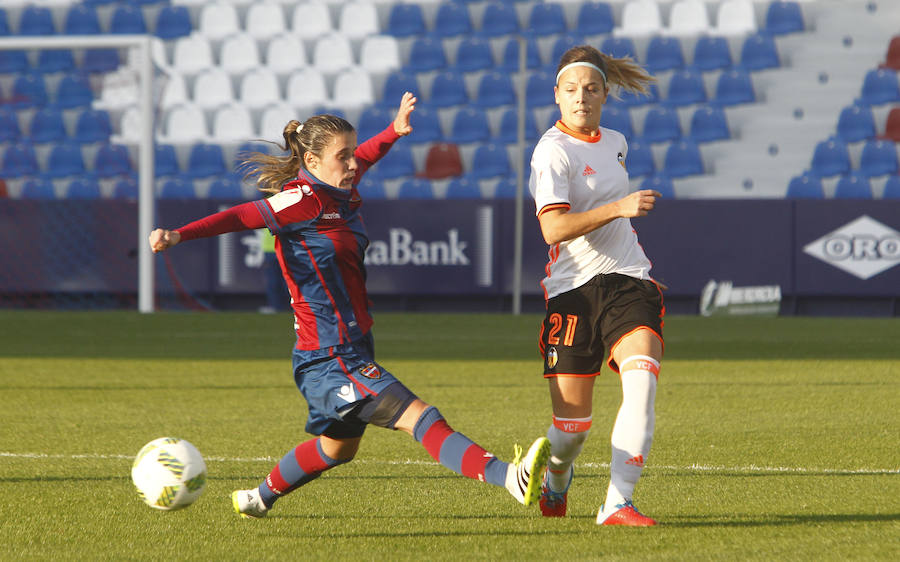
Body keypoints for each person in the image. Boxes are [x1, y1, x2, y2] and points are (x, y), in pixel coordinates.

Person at [149, 92, 550, 519]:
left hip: (353, 346)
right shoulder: (298, 200)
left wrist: (393, 133)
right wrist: (178, 235)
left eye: (352, 155)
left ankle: (258, 498)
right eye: (343, 157)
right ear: (313, 160)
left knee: (336, 449)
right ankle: (510, 476)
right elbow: (240, 216)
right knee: (419, 415)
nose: (353, 164)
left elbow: (365, 156)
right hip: (327, 356)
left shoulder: (340, 185)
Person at [528, 46, 664, 526]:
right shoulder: (551, 151)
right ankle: (556, 478)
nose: (581, 98)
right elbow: (553, 231)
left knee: (642, 379)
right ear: (557, 96)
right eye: (571, 90)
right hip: (572, 292)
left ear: (605, 93)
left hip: (628, 280)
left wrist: (620, 227)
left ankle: (617, 502)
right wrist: (618, 209)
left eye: (590, 89)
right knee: (570, 432)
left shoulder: (617, 141)